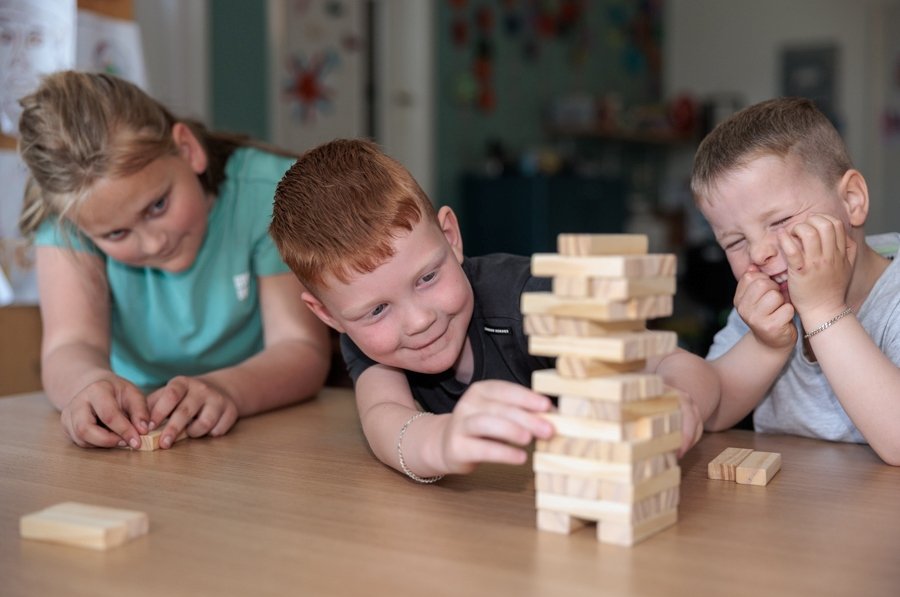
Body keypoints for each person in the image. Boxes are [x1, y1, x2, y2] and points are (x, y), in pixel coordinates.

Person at [270, 138, 717, 482]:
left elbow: (670, 361)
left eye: (427, 278)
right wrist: (442, 441)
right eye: (377, 311)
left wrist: (678, 399)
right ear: (328, 316)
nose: (418, 320)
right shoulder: (370, 348)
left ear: (451, 236)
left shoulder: (529, 297)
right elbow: (386, 421)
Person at [17, 70, 331, 450]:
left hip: (261, 418)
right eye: (116, 234)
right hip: (139, 423)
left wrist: (224, 388)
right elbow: (70, 345)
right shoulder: (66, 223)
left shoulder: (269, 192)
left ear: (187, 150)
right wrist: (87, 386)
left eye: (158, 205)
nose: (153, 242)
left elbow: (302, 350)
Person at [692, 97, 900, 465]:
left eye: (779, 221)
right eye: (736, 242)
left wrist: (822, 310)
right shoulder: (765, 305)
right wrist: (765, 344)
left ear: (852, 201)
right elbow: (714, 410)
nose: (758, 254)